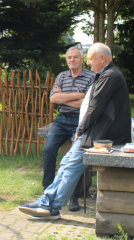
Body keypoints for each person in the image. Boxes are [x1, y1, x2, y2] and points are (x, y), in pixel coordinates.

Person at [18, 43, 131, 219]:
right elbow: (75, 101)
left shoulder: (109, 75)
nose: (88, 62)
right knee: (65, 165)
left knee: (71, 167)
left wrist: (81, 128)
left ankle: (50, 206)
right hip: (95, 132)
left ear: (102, 58)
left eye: (91, 59)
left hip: (99, 135)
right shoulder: (106, 75)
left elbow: (94, 106)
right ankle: (46, 201)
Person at [43, 46, 94, 211]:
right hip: (62, 119)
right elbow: (52, 99)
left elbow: (86, 103)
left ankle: (73, 197)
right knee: (49, 149)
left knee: (76, 155)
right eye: (69, 58)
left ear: (82, 59)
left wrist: (63, 98)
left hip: (81, 120)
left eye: (75, 57)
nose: (72, 60)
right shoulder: (62, 76)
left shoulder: (91, 77)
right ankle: (48, 190)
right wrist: (77, 95)